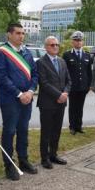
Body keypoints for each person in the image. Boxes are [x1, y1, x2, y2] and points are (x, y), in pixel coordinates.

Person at [0, 23, 38, 181]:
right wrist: (19, 94)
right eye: (18, 33)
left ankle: (23, 160)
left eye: (23, 33)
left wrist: (31, 91)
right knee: (9, 131)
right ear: (9, 35)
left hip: (27, 99)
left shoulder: (26, 52)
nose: (21, 36)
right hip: (10, 99)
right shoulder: (1, 53)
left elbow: (35, 74)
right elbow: (1, 77)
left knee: (23, 130)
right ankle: (9, 165)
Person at [37, 36, 71, 169]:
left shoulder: (62, 61)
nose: (55, 46)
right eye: (52, 45)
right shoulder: (41, 62)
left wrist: (66, 93)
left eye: (57, 44)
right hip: (47, 103)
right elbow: (43, 83)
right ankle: (44, 158)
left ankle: (53, 155)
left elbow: (69, 80)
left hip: (61, 102)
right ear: (46, 47)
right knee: (46, 131)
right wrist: (59, 95)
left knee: (56, 130)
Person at [63, 31, 92, 135]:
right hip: (72, 87)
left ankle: (79, 126)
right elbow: (64, 72)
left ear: (82, 42)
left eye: (80, 40)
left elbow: (89, 72)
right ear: (72, 42)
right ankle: (72, 127)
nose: (78, 42)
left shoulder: (87, 55)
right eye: (76, 40)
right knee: (72, 107)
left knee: (80, 107)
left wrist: (89, 85)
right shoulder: (67, 55)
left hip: (83, 87)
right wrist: (65, 86)